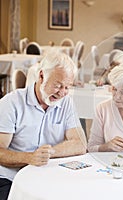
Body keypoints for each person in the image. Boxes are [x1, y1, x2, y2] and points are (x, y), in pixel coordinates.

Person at [0, 52, 87, 200]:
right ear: (41, 76)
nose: (62, 93)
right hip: (11, 178)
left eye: (67, 87)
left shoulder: (67, 103)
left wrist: (49, 152)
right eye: (58, 86)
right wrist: (29, 157)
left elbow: (80, 144)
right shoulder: (11, 103)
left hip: (48, 176)